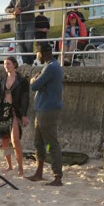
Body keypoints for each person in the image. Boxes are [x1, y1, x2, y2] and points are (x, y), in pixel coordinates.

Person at [26, 42, 64, 186]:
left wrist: (33, 79)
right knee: (39, 142)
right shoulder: (52, 66)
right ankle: (39, 172)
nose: (37, 56)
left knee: (51, 143)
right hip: (43, 109)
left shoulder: (50, 68)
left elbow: (34, 86)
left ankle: (57, 176)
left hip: (48, 110)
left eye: (37, 53)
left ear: (43, 53)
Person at [0, 56, 30, 176]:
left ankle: (20, 168)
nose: (6, 66)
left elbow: (25, 98)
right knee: (4, 140)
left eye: (8, 64)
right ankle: (9, 165)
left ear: (14, 64)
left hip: (15, 111)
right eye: (4, 64)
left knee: (15, 140)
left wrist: (24, 115)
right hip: (3, 111)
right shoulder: (1, 80)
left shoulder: (22, 80)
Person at [5, 0, 36, 65]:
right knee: (21, 45)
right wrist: (13, 10)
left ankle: (31, 63)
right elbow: (6, 9)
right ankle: (26, 63)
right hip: (18, 24)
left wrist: (20, 10)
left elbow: (31, 6)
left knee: (29, 44)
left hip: (29, 23)